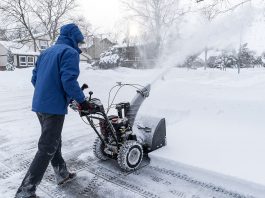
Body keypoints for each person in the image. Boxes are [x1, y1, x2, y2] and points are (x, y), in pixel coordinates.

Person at [15, 23, 90, 198]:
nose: (79, 46)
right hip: (53, 108)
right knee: (47, 147)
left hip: (40, 105)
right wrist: (81, 101)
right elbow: (68, 81)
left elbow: (35, 78)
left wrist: (48, 93)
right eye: (78, 42)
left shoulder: (46, 52)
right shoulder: (69, 53)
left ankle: (62, 173)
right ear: (73, 38)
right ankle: (25, 192)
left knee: (53, 140)